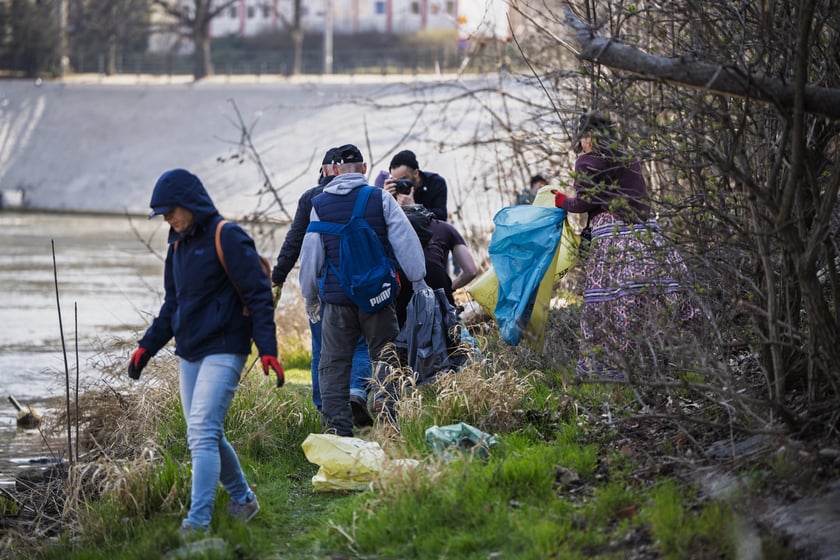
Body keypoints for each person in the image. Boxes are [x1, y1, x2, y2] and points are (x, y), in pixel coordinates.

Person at [127, 168, 284, 534]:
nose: (166, 219)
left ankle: (196, 523)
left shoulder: (226, 236)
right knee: (206, 433)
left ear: (189, 204)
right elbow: (172, 306)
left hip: (226, 347)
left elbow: (259, 296)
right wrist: (145, 348)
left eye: (169, 211)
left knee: (201, 429)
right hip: (190, 351)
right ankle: (243, 500)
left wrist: (268, 349)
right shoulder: (177, 246)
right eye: (162, 214)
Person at [554, 113, 699, 379]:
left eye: (583, 138)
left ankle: (610, 367)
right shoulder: (628, 158)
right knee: (649, 300)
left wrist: (561, 201)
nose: (582, 144)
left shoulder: (587, 161)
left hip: (613, 240)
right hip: (647, 237)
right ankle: (663, 359)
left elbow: (583, 203)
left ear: (590, 137)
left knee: (608, 303)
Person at [299, 144, 427, 435]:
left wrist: (310, 297)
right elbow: (405, 241)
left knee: (333, 364)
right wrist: (418, 281)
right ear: (365, 168)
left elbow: (310, 257)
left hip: (336, 299)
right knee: (385, 354)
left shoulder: (320, 204)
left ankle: (338, 430)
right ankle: (385, 408)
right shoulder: (379, 197)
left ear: (335, 171)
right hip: (378, 296)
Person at [271, 147, 373, 427]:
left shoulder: (313, 198)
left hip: (324, 283)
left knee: (322, 348)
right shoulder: (369, 195)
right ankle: (356, 393)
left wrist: (278, 277)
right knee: (360, 344)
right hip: (364, 281)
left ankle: (324, 408)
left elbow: (296, 242)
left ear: (329, 169)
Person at [383, 149, 448, 220]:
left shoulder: (435, 182)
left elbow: (442, 216)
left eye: (403, 179)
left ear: (415, 173)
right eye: (395, 180)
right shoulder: (392, 188)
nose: (400, 183)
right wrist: (386, 199)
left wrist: (414, 208)